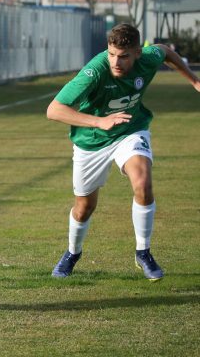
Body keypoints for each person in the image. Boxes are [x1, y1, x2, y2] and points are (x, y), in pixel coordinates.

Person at [47, 23, 200, 281]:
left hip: (130, 131)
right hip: (91, 141)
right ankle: (72, 253)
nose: (116, 62)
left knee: (142, 182)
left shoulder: (148, 59)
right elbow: (53, 110)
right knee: (84, 207)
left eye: (123, 56)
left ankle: (143, 252)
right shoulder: (94, 71)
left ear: (138, 53)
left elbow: (165, 51)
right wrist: (99, 121)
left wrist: (194, 80)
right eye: (111, 54)